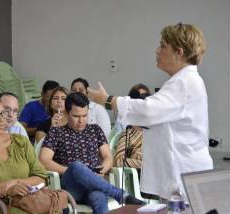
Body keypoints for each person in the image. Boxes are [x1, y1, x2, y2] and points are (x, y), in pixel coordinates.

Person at [87, 22, 213, 201]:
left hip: (184, 174)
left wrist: (108, 100)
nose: (157, 50)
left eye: (163, 46)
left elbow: (148, 111)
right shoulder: (183, 81)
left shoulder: (184, 82)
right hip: (182, 173)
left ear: (179, 52)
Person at [39, 92, 145, 214]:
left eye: (85, 115)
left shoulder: (95, 130)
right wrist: (72, 170)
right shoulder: (56, 132)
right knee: (77, 166)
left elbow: (108, 157)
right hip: (71, 186)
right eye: (76, 116)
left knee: (98, 197)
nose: (81, 120)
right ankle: (120, 194)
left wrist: (103, 168)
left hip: (94, 183)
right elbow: (43, 160)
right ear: (67, 114)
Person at [112, 84, 151, 173]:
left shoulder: (160, 131)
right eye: (139, 100)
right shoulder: (129, 133)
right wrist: (145, 164)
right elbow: (118, 161)